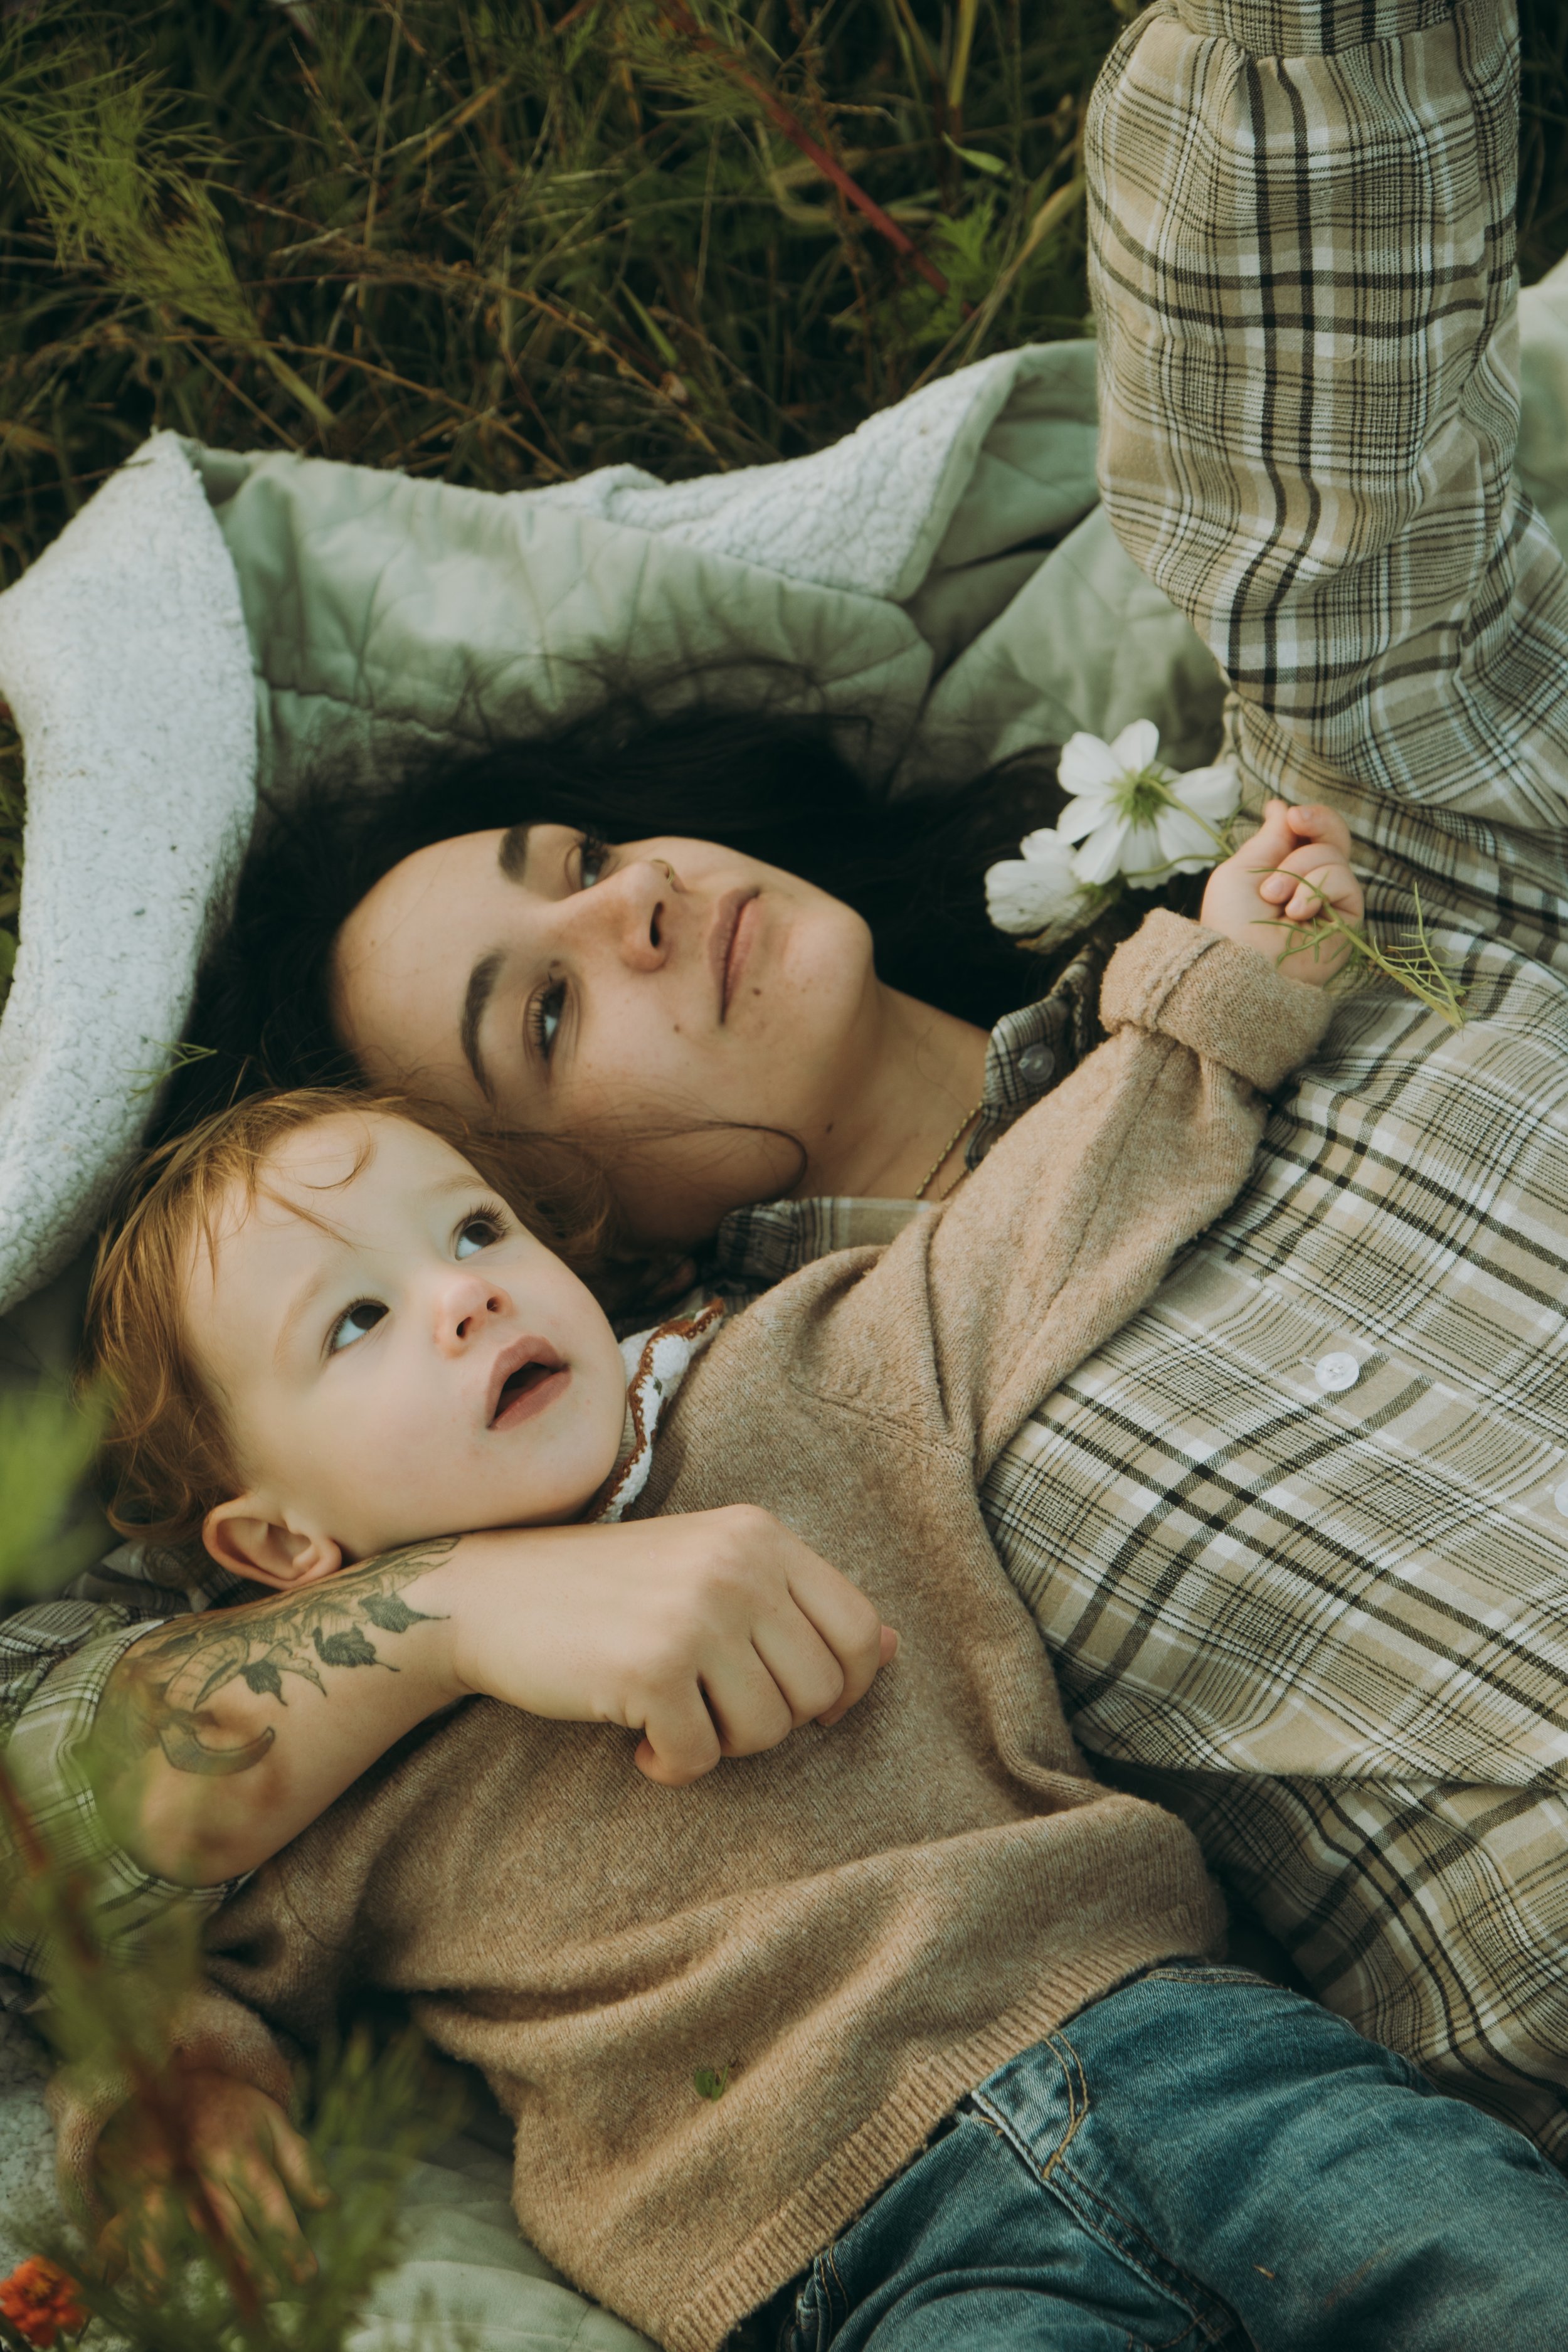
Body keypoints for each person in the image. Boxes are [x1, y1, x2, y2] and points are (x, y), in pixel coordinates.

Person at [9, 0, 1568, 2172]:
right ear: (573, 1234)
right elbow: (50, 1810)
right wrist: (467, 1606)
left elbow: (1320, 478)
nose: (628, 910)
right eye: (538, 1018)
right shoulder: (756, 1450)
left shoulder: (1327, 885)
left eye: (589, 860)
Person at [70, 862, 1568, 2351]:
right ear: (278, 1543)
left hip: (1197, 2061)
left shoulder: (791, 1372)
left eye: (471, 1235)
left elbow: (1037, 1221)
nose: (462, 1299)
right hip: (837, 2243)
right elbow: (162, 1969)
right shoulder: (337, 1760)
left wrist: (1214, 997)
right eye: (356, 1322)